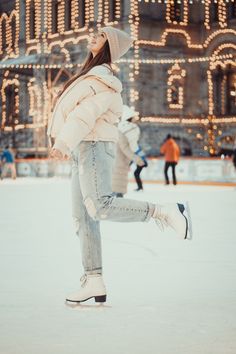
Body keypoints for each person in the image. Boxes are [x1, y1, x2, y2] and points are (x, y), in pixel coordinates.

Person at [48, 27, 192, 304]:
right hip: (82, 147)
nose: (93, 35)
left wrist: (63, 142)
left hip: (92, 145)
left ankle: (165, 212)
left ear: (110, 45)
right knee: (83, 218)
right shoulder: (90, 74)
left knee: (99, 205)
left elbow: (84, 113)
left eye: (100, 35)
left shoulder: (105, 81)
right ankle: (94, 280)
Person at [112, 105, 146, 197]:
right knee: (117, 192)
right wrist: (138, 159)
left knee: (116, 190)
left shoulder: (120, 130)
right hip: (120, 163)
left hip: (119, 162)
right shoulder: (125, 132)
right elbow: (126, 149)